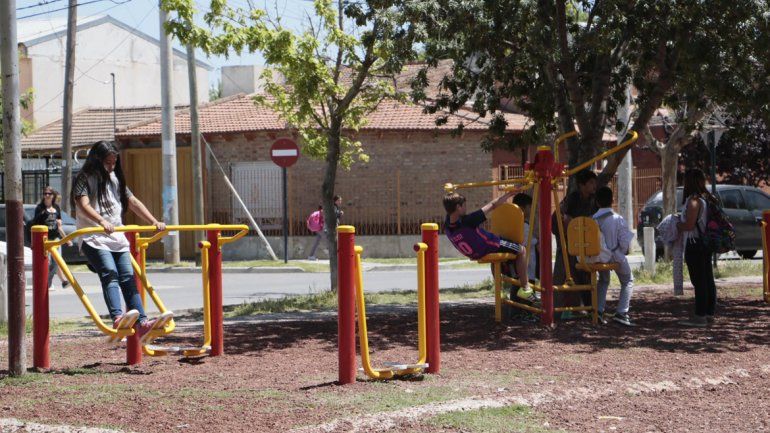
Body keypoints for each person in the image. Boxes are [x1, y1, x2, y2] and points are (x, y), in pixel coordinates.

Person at [71, 141, 172, 342]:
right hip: (93, 235)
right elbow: (82, 205)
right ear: (98, 160)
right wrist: (101, 221)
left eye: (114, 162)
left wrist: (154, 221)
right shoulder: (84, 178)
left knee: (128, 276)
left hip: (116, 236)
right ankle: (117, 317)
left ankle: (142, 323)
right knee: (110, 272)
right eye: (108, 162)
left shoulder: (115, 178)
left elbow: (132, 202)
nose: (112, 166)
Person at [443, 191, 533, 301]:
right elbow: (493, 205)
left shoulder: (447, 225)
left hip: (476, 252)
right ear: (458, 207)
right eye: (464, 206)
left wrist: (451, 194)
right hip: (492, 244)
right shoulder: (467, 221)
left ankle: (498, 290)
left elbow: (450, 210)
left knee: (494, 258)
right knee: (521, 250)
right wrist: (509, 194)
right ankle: (525, 288)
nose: (466, 209)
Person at [553, 169, 598, 319]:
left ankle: (589, 308)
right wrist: (571, 227)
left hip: (584, 243)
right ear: (581, 185)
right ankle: (557, 309)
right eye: (591, 183)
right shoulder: (572, 199)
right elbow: (561, 216)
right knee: (565, 272)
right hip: (567, 241)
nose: (594, 186)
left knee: (585, 274)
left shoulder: (594, 200)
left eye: (594, 182)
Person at [677, 168, 718, 327]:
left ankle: (700, 315)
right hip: (704, 243)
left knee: (699, 281)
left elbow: (689, 225)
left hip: (695, 244)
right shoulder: (706, 199)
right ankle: (709, 313)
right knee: (707, 279)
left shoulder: (694, 201)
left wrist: (677, 225)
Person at [592, 186, 635, 326]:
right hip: (615, 256)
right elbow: (624, 242)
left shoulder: (592, 219)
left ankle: (598, 311)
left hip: (599, 257)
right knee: (628, 280)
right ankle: (622, 312)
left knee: (603, 281)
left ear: (596, 202)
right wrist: (622, 251)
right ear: (612, 200)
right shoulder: (618, 219)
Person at [31, 187, 72, 290]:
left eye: (49, 194)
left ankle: (54, 282)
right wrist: (33, 241)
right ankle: (50, 282)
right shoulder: (40, 208)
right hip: (45, 240)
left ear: (53, 196)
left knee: (56, 261)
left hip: (56, 239)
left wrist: (66, 239)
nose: (47, 195)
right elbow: (34, 225)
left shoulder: (57, 208)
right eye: (45, 193)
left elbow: (59, 226)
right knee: (51, 263)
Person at [512, 193, 538, 284]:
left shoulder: (515, 224)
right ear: (522, 209)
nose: (531, 210)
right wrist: (537, 241)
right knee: (527, 287)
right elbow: (527, 241)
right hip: (527, 266)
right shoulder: (524, 225)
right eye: (530, 207)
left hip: (518, 267)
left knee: (516, 286)